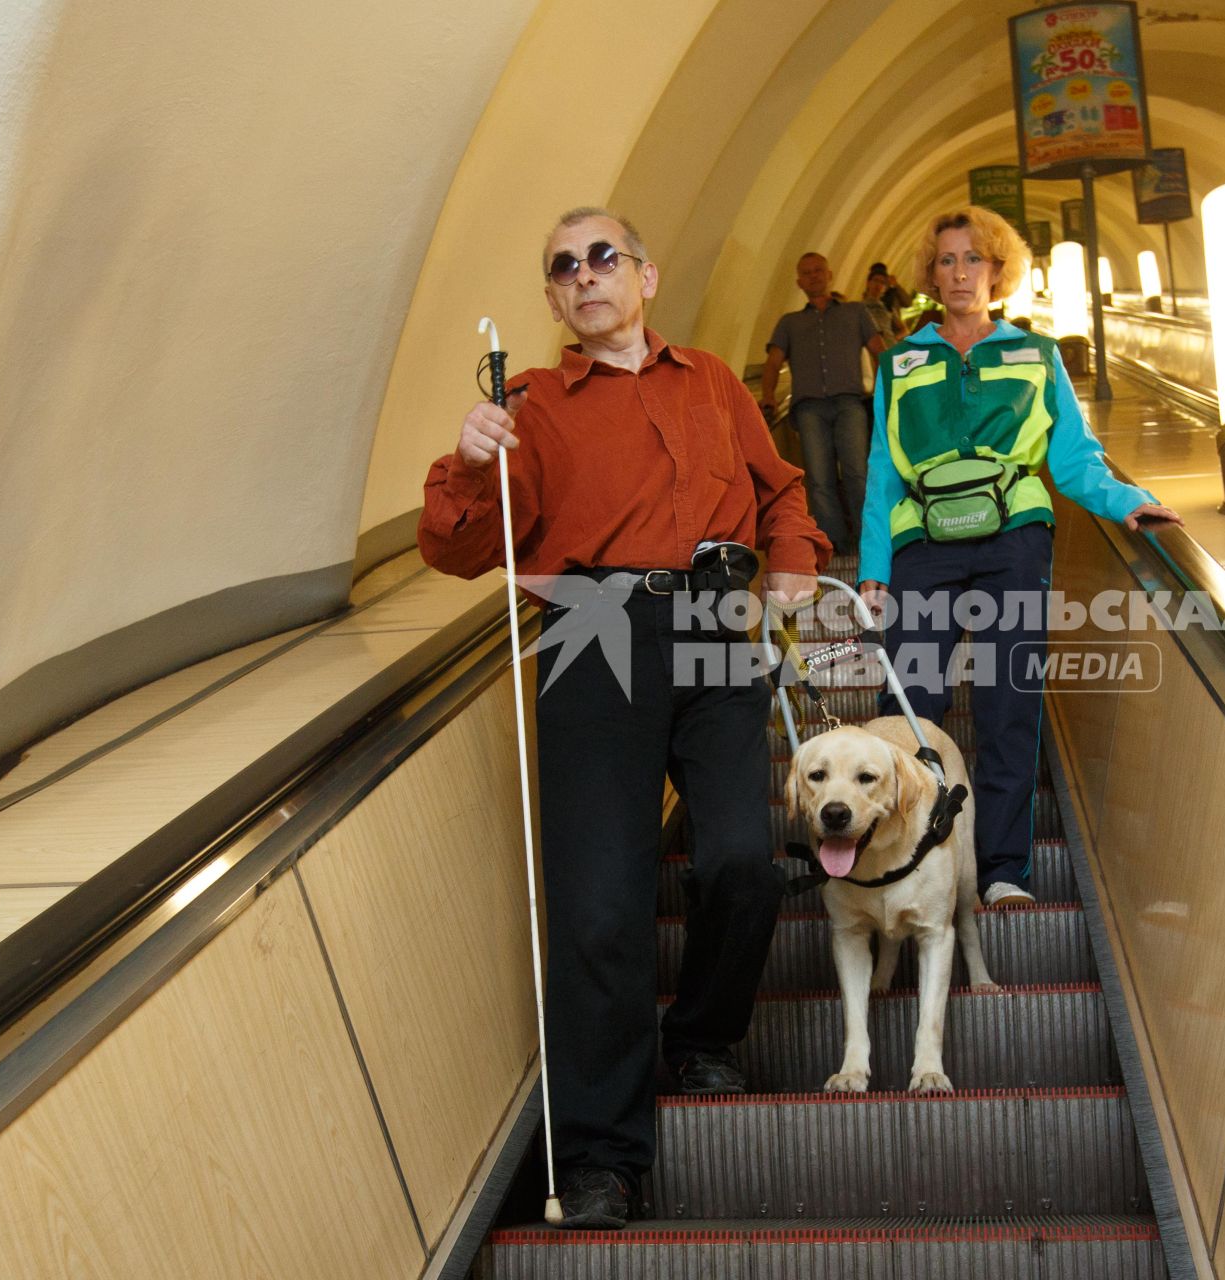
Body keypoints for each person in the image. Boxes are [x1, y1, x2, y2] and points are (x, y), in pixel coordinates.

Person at [417, 206, 828, 1230]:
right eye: (563, 267)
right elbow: (460, 548)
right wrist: (471, 462)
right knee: (600, 904)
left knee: (742, 854)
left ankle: (700, 1036)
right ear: (554, 298)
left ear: (644, 276)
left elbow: (781, 489)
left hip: (715, 622)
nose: (585, 275)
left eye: (604, 256)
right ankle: (600, 1154)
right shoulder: (533, 406)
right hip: (593, 625)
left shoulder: (717, 383)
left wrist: (791, 564)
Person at [856, 206, 1182, 907]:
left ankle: (1003, 871)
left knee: (1009, 704)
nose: (959, 273)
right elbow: (883, 470)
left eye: (973, 259)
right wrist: (874, 567)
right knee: (911, 706)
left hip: (1014, 542)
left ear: (998, 272)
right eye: (946, 261)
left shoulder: (1035, 355)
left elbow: (1070, 458)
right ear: (930, 275)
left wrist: (1127, 500)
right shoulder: (902, 362)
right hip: (922, 547)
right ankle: (913, 865)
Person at [759, 252, 889, 556]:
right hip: (809, 409)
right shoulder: (789, 323)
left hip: (850, 403)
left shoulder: (855, 313)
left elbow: (879, 351)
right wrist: (767, 395)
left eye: (819, 270)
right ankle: (836, 546)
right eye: (807, 273)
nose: (814, 276)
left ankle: (867, 541)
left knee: (858, 472)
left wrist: (887, 391)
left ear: (830, 275)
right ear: (799, 282)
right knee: (819, 479)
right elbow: (772, 361)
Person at [862, 268, 905, 345]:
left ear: (885, 288)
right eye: (876, 280)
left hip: (889, 347)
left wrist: (893, 339)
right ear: (868, 283)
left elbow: (904, 330)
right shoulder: (860, 306)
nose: (878, 285)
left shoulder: (888, 307)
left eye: (882, 282)